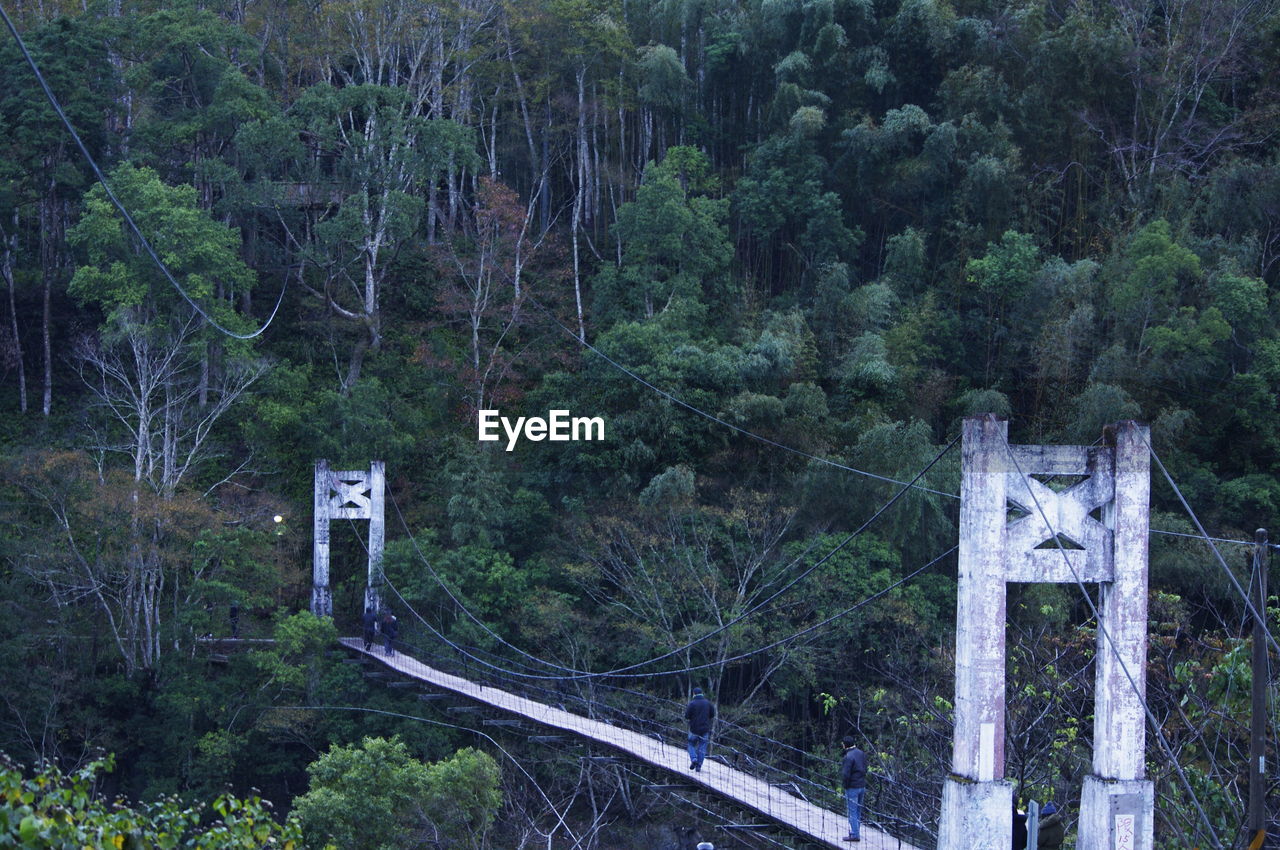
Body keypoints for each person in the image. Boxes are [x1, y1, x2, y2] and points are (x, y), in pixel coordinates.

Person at [840, 735, 868, 843]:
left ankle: (855, 835)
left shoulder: (848, 757)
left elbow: (846, 774)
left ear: (845, 745)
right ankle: (855, 831)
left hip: (852, 787)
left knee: (852, 811)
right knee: (858, 811)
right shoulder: (861, 753)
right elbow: (865, 768)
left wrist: (846, 786)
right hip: (862, 785)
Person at [684, 686, 716, 772]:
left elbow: (687, 716)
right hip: (705, 729)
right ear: (702, 693)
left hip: (694, 729)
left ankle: (694, 759)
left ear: (694, 694)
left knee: (691, 744)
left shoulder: (692, 703)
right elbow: (712, 714)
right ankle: (699, 766)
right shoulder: (708, 703)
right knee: (702, 748)